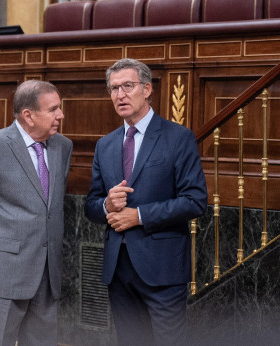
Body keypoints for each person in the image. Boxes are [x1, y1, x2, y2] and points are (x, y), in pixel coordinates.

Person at [84, 58, 208, 345]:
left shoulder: (178, 138)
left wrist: (138, 215)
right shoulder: (106, 144)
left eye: (128, 86)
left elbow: (195, 201)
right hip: (118, 269)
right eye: (114, 89)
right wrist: (107, 206)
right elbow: (92, 204)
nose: (120, 95)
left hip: (162, 268)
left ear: (147, 89)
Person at [0, 80, 73, 346]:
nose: (61, 116)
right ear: (28, 116)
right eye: (53, 109)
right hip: (4, 273)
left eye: (60, 108)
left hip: (47, 273)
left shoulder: (62, 147)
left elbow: (50, 207)